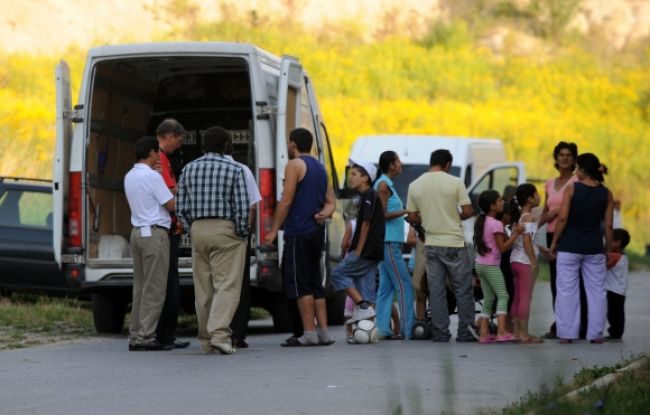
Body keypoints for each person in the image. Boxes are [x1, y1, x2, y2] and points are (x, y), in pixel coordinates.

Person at [176, 126, 250, 355]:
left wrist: (191, 229)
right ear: (226, 146)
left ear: (202, 145)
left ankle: (206, 340)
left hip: (198, 231)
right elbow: (242, 207)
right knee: (227, 285)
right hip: (226, 230)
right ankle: (219, 334)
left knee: (203, 289)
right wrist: (240, 232)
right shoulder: (235, 169)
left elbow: (180, 207)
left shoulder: (188, 169)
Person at [263, 128, 336, 346]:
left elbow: (286, 200)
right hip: (316, 231)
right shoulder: (320, 167)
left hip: (299, 230)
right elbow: (331, 200)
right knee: (315, 281)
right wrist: (325, 212)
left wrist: (274, 229)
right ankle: (323, 332)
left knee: (300, 282)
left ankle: (308, 333)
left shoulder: (294, 165)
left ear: (293, 144)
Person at [406, 149, 476, 343]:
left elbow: (412, 217)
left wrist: (428, 218)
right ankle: (466, 332)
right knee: (462, 289)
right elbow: (468, 211)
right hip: (453, 242)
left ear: (431, 162)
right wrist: (454, 216)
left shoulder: (415, 185)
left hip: (431, 244)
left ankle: (440, 333)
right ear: (448, 164)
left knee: (436, 291)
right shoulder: (455, 183)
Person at [550, 153, 613, 344]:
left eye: (577, 168)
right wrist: (608, 250)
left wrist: (554, 243)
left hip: (570, 247)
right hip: (594, 248)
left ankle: (567, 334)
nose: (575, 171)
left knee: (567, 291)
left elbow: (562, 218)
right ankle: (596, 334)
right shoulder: (606, 193)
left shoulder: (572, 188)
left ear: (583, 170)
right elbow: (608, 226)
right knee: (597, 292)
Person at [124, 136, 175, 351]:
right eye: (157, 153)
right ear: (153, 153)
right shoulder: (153, 177)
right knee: (154, 288)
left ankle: (136, 333)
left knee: (140, 287)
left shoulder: (130, 175)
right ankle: (146, 336)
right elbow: (171, 205)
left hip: (137, 232)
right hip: (155, 233)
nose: (159, 157)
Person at [331, 159, 385, 344]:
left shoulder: (369, 194)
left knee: (338, 273)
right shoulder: (367, 196)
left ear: (365, 177)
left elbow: (366, 224)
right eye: (349, 174)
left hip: (366, 251)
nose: (350, 177)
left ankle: (362, 306)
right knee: (366, 289)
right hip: (373, 253)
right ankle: (366, 332)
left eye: (354, 174)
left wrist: (359, 249)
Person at [539, 141, 587, 339]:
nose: (564, 158)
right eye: (561, 155)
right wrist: (531, 227)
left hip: (570, 233)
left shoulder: (579, 181)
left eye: (568, 155)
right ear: (556, 158)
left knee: (574, 282)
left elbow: (583, 208)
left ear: (574, 160)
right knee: (556, 282)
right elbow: (544, 212)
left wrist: (559, 210)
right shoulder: (550, 183)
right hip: (552, 235)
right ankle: (560, 323)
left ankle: (580, 325)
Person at [154, 118, 190, 350]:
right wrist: (186, 190)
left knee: (168, 281)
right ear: (168, 135)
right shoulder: (160, 159)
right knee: (170, 283)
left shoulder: (158, 158)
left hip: (166, 227)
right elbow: (170, 192)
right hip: (168, 228)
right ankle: (165, 334)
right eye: (178, 139)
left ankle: (166, 333)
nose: (179, 145)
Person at [223, 139, 262, 349]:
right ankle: (237, 333)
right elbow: (253, 206)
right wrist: (247, 232)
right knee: (239, 283)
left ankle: (216, 330)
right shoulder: (242, 169)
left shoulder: (199, 166)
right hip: (236, 233)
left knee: (215, 282)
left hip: (209, 232)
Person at [374, 151, 414, 340]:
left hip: (388, 242)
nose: (401, 164)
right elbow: (381, 216)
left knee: (386, 287)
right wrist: (405, 211)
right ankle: (408, 329)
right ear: (391, 165)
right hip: (389, 242)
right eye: (398, 161)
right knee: (404, 284)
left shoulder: (386, 184)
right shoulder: (383, 185)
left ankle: (381, 329)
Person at [473, 190, 522, 344]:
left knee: (489, 298)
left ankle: (483, 334)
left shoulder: (483, 221)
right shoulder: (496, 224)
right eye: (500, 201)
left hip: (480, 264)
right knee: (503, 296)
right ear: (492, 206)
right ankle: (502, 332)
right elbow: (502, 248)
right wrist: (515, 234)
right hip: (491, 266)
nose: (503, 203)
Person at [509, 184, 544, 344]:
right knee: (525, 298)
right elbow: (527, 241)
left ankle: (516, 332)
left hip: (515, 260)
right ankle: (524, 334)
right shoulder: (529, 218)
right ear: (530, 198)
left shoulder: (521, 216)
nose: (539, 196)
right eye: (537, 194)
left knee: (517, 297)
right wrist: (534, 262)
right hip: (524, 262)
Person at [605, 228, 630, 341]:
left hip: (613, 290)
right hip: (620, 290)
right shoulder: (623, 256)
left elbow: (605, 266)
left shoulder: (614, 256)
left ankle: (615, 333)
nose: (607, 243)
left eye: (610, 240)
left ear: (618, 242)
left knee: (613, 313)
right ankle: (617, 331)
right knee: (618, 312)